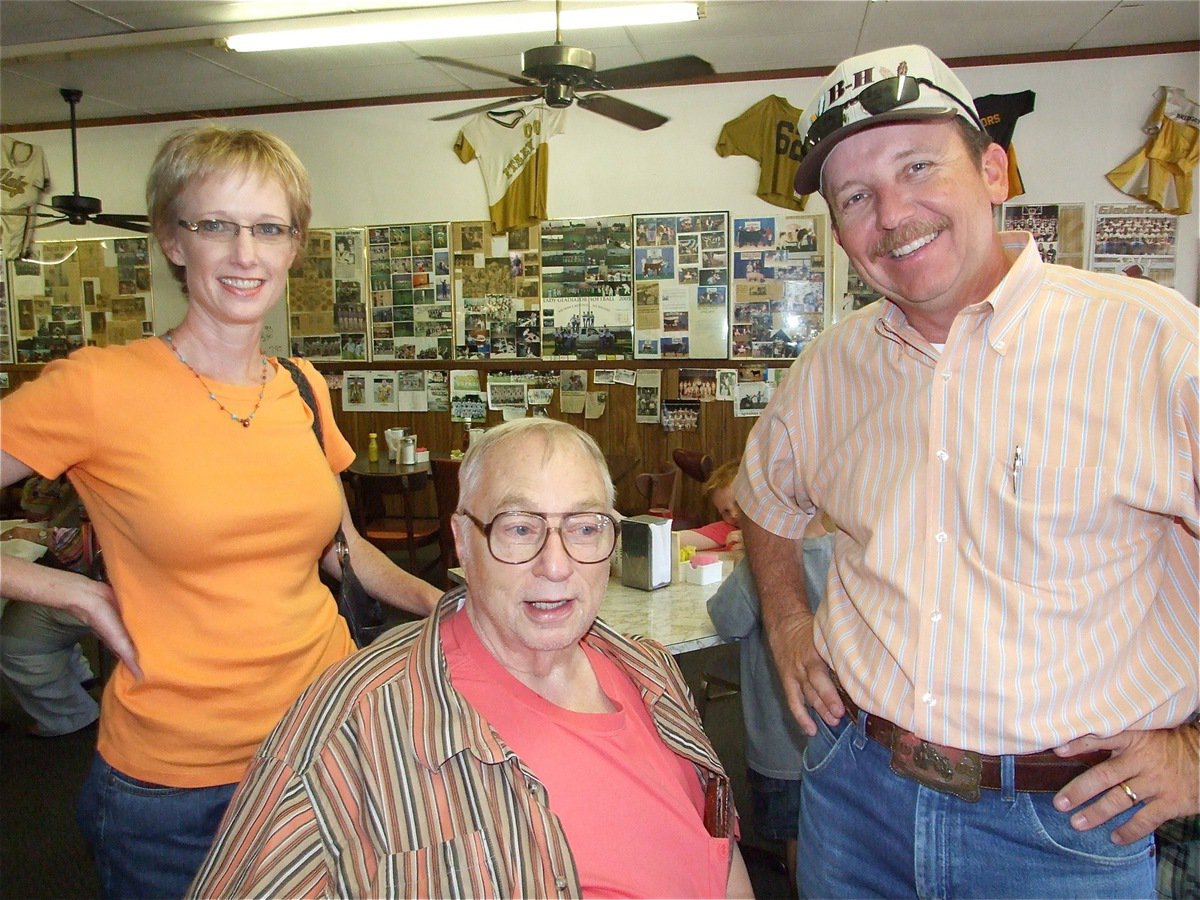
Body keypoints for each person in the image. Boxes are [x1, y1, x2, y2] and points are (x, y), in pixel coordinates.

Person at [736, 44, 1198, 898]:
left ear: (994, 168)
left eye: (919, 167)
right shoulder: (829, 368)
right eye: (856, 197)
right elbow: (763, 498)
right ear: (838, 231)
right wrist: (789, 624)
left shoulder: (1156, 346)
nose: (893, 213)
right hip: (854, 795)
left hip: (1065, 829)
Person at [0, 125, 441, 899]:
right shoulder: (98, 388)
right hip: (177, 789)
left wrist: (447, 606)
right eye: (217, 226)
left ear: (294, 246)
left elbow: (343, 551)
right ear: (174, 241)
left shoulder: (304, 386)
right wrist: (66, 590)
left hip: (327, 747)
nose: (246, 254)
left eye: (269, 228)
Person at [188, 418, 752, 898]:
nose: (556, 565)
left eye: (584, 527)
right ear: (462, 539)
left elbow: (718, 853)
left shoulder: (649, 671)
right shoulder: (352, 722)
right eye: (519, 528)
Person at [707, 514, 834, 892]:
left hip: (781, 746)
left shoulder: (762, 567)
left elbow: (726, 618)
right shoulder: (847, 553)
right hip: (836, 738)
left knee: (795, 839)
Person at [0, 475, 100, 738]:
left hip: (114, 585)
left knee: (14, 642)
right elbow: (35, 510)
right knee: (22, 600)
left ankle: (70, 715)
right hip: (92, 575)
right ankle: (78, 675)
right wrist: (48, 476)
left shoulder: (106, 473)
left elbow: (90, 547)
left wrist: (40, 535)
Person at [675, 459, 744, 552]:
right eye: (726, 511)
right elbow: (675, 540)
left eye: (738, 503)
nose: (733, 514)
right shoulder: (727, 530)